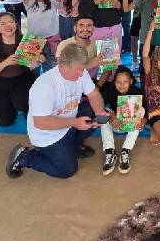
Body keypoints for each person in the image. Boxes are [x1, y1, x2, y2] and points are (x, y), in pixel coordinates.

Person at [6, 43, 110, 179]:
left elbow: (94, 95)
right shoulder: (44, 86)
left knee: (94, 110)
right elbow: (41, 123)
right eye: (77, 70)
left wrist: (99, 112)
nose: (81, 74)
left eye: (82, 69)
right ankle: (25, 157)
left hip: (69, 123)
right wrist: (75, 123)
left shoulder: (80, 72)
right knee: (67, 170)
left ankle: (74, 144)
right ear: (61, 65)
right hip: (48, 136)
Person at [0, 12, 40, 127]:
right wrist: (5, 63)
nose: (8, 26)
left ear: (16, 24)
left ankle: (23, 105)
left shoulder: (26, 41)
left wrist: (39, 59)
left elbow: (39, 58)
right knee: (5, 122)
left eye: (11, 22)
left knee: (22, 102)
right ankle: (7, 104)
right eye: (3, 24)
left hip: (23, 79)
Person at [99, 66, 146, 175]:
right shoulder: (110, 91)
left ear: (131, 81)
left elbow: (147, 110)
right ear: (114, 82)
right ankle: (110, 151)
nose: (122, 85)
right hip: (115, 122)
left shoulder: (138, 92)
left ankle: (126, 150)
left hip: (131, 124)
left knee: (142, 110)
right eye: (118, 82)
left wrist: (144, 120)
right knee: (101, 116)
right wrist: (111, 116)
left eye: (125, 82)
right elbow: (98, 105)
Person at [22, 0, 61, 73]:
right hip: (33, 41)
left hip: (52, 41)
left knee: (52, 73)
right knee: (31, 74)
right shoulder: (30, 3)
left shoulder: (53, 3)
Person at [56, 17, 104, 82]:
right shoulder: (64, 45)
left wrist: (98, 86)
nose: (85, 29)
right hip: (70, 82)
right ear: (75, 28)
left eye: (89, 25)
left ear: (93, 28)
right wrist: (88, 65)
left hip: (93, 81)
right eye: (81, 25)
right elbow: (61, 69)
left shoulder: (99, 44)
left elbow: (108, 68)